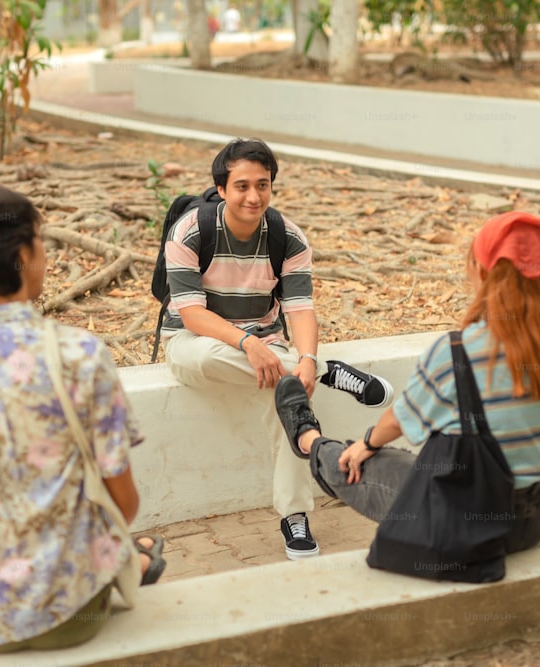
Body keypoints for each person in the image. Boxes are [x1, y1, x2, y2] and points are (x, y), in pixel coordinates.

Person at [0, 185, 165, 653]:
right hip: (63, 618)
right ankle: (136, 562)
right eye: (39, 240)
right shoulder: (78, 354)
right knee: (128, 543)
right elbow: (123, 503)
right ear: (23, 254)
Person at [274, 211, 540, 554]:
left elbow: (399, 419)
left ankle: (309, 440)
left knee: (359, 464)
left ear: (483, 272)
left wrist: (367, 444)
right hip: (539, 518)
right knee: (410, 463)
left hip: (473, 521)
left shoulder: (459, 352)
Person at [161, 137, 393, 560]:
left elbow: (301, 309)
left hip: (269, 347)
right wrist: (251, 344)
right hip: (194, 344)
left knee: (288, 397)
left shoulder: (288, 237)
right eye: (243, 186)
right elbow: (192, 315)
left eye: (263, 185)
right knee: (227, 356)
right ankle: (328, 372)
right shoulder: (191, 231)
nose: (254, 196)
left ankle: (295, 516)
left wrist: (303, 358)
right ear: (223, 189)